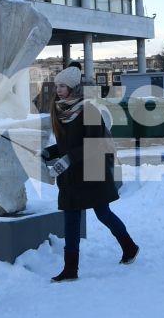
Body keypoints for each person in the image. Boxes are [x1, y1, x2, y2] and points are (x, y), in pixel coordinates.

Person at [42, 65, 136, 282]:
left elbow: (94, 144)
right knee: (71, 219)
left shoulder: (89, 110)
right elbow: (65, 145)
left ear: (74, 87)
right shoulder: (60, 110)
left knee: (103, 213)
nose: (58, 90)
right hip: (72, 175)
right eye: (57, 86)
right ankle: (70, 269)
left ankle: (129, 247)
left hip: (93, 171)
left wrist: (67, 158)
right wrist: (50, 151)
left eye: (63, 86)